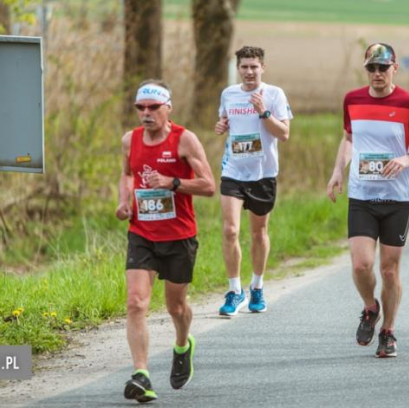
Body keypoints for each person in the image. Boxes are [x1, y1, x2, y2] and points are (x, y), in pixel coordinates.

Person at [326, 42, 409, 358]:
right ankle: (369, 307)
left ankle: (388, 332)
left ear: (395, 68)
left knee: (389, 270)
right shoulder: (352, 99)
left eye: (383, 67)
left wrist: (408, 157)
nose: (377, 73)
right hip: (362, 194)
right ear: (366, 70)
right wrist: (337, 171)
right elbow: (349, 139)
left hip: (396, 198)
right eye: (372, 68)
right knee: (361, 264)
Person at [116, 80, 215, 403]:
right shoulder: (129, 140)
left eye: (153, 108)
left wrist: (173, 182)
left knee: (175, 306)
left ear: (167, 107)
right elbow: (128, 174)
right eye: (140, 108)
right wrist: (124, 200)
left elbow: (208, 185)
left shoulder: (184, 140)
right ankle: (141, 374)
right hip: (142, 233)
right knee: (136, 303)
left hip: (179, 236)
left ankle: (183, 345)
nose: (146, 114)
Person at [214, 45, 292, 316]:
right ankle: (235, 291)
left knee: (258, 233)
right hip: (233, 170)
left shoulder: (274, 94)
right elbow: (225, 124)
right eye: (244, 67)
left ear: (263, 68)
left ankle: (257, 286)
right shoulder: (228, 94)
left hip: (263, 173)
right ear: (238, 69)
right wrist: (221, 127)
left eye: (254, 67)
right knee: (230, 230)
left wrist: (264, 112)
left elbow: (284, 134)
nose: (249, 72)